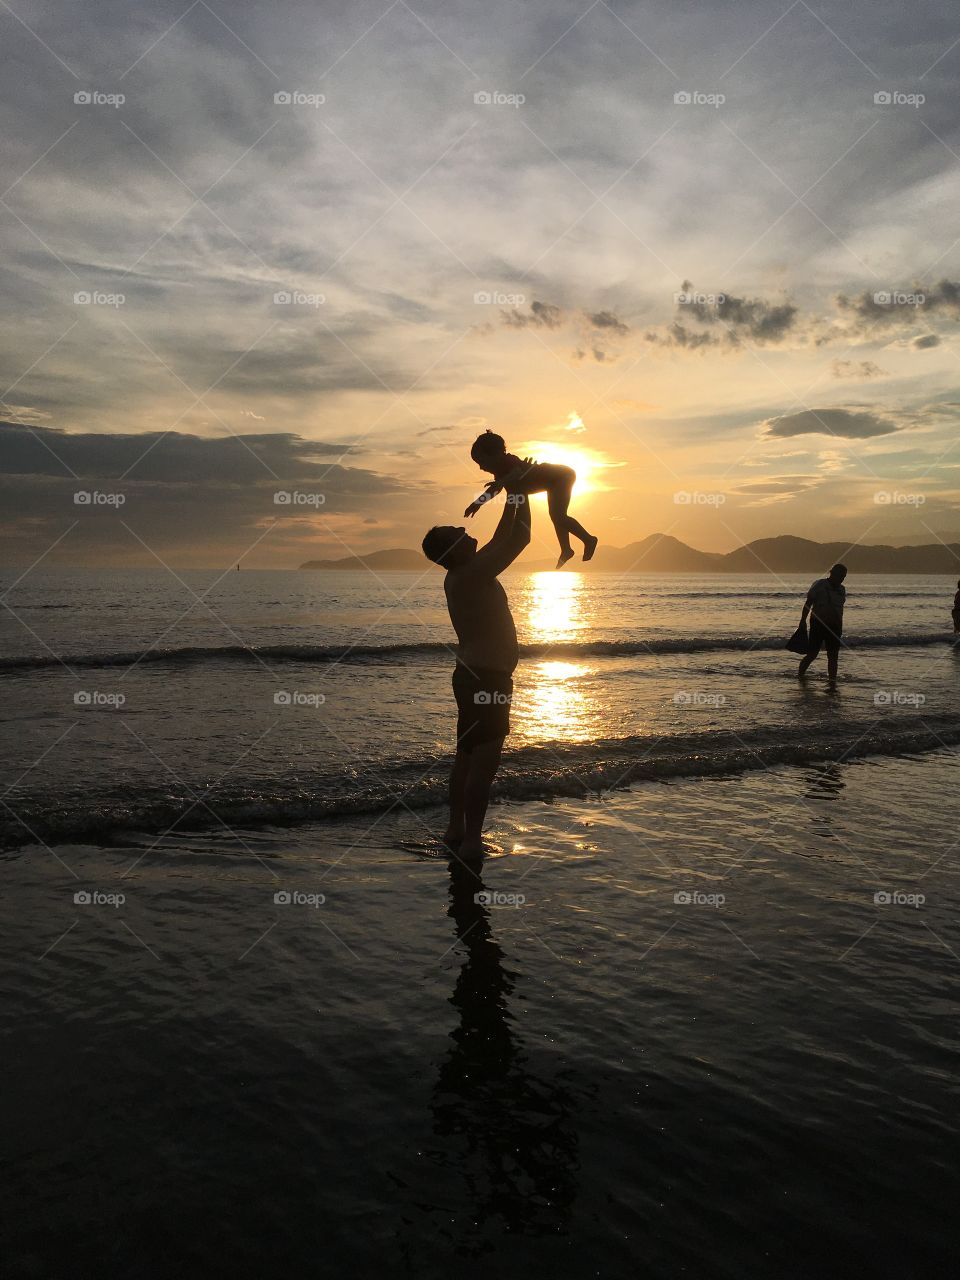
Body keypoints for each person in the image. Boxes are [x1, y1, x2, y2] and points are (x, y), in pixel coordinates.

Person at [422, 457, 532, 859]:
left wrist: (514, 489)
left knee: (466, 757)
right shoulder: (471, 574)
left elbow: (507, 532)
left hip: (471, 676)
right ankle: (470, 841)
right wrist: (519, 487)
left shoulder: (467, 572)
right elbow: (520, 539)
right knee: (484, 762)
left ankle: (455, 829)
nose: (468, 532)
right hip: (486, 680)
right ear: (453, 549)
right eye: (460, 532)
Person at [464, 430, 598, 569]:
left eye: (482, 461)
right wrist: (477, 503)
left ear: (496, 454)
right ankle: (566, 549)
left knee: (558, 516)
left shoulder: (509, 461)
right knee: (556, 515)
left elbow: (516, 473)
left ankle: (588, 539)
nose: (481, 467)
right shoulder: (500, 472)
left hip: (562, 476)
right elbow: (495, 490)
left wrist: (501, 482)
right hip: (552, 482)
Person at [798, 563, 847, 681]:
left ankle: (832, 681)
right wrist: (802, 620)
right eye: (840, 575)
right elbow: (808, 603)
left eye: (843, 576)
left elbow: (840, 608)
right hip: (818, 623)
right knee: (812, 654)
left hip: (835, 625)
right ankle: (800, 675)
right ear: (832, 573)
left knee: (833, 656)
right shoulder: (819, 585)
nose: (841, 578)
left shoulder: (842, 589)